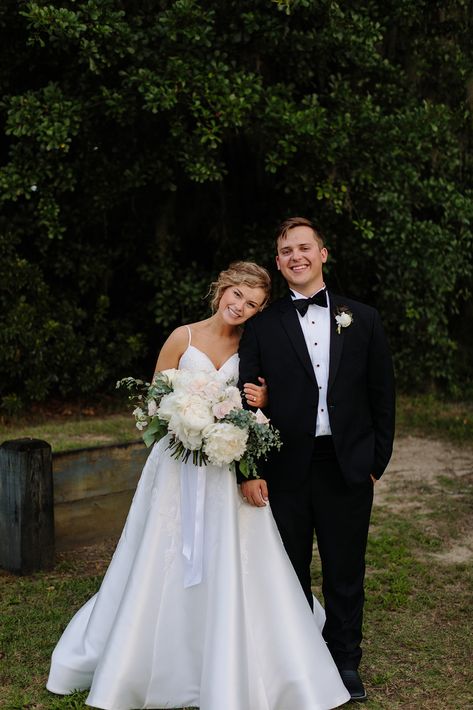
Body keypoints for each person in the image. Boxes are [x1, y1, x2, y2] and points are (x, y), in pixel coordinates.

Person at [47, 261, 350, 710]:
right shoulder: (182, 337)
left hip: (228, 465)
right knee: (159, 554)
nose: (240, 307)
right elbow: (152, 401)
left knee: (235, 555)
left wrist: (260, 403)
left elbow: (266, 400)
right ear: (221, 289)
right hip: (176, 465)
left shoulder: (255, 342)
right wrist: (183, 419)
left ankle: (239, 656)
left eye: (251, 304)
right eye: (236, 295)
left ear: (259, 310)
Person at [238, 219, 396, 703]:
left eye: (303, 247)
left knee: (345, 570)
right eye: (285, 250)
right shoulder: (262, 325)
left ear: (323, 254)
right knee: (287, 571)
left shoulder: (363, 318)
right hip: (285, 466)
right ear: (279, 261)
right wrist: (251, 470)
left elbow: (381, 395)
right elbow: (246, 403)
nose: (295, 256)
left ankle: (346, 662)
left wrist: (376, 461)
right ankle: (295, 661)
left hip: (347, 465)